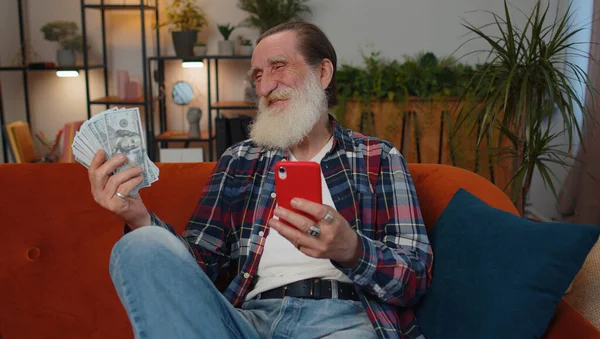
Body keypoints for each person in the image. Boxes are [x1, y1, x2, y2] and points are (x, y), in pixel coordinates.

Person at [87, 21, 433, 339]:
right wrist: (137, 216)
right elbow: (198, 265)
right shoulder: (239, 161)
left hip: (343, 320)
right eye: (257, 76)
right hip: (249, 323)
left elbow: (414, 278)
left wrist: (352, 250)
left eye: (278, 67)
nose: (266, 86)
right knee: (138, 246)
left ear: (323, 72)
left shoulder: (378, 158)